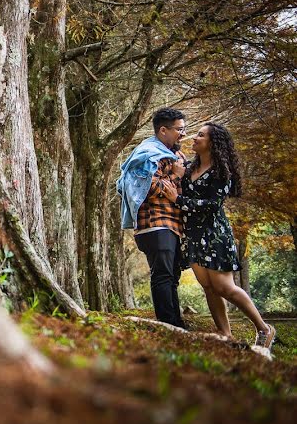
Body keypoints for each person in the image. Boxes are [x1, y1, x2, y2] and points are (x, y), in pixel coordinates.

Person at [161, 122, 276, 349]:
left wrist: (178, 200)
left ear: (212, 143)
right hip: (192, 234)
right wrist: (178, 176)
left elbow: (212, 205)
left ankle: (264, 328)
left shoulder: (222, 172)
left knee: (225, 288)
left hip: (214, 235)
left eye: (200, 135)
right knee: (209, 288)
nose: (194, 137)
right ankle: (225, 334)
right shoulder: (191, 167)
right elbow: (186, 189)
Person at [117, 108, 188, 328]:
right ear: (163, 130)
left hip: (173, 225)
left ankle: (177, 322)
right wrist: (175, 175)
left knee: (172, 276)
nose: (183, 134)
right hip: (154, 225)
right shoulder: (147, 154)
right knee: (163, 275)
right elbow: (144, 189)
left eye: (184, 129)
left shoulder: (174, 155)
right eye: (179, 129)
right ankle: (168, 324)